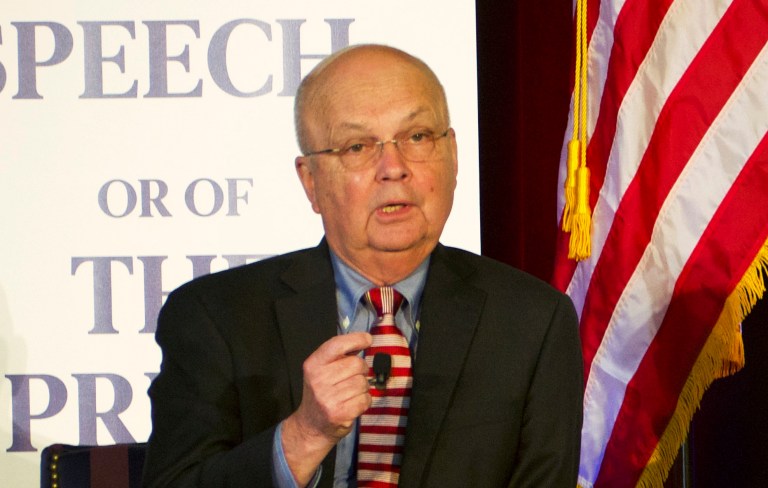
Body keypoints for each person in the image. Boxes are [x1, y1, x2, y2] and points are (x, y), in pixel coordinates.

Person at [142, 44, 583, 488]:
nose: (394, 168)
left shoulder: (533, 322)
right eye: (357, 146)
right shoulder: (214, 317)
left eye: (417, 137)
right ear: (310, 181)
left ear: (453, 156)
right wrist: (303, 435)